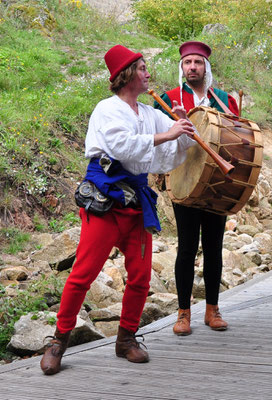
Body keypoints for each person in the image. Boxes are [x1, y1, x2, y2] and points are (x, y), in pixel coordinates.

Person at [40, 44, 196, 375]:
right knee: (83, 274)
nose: (148, 73)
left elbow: (169, 153)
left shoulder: (150, 113)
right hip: (105, 200)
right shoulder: (106, 110)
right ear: (126, 74)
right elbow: (122, 146)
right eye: (142, 68)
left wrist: (183, 130)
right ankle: (58, 341)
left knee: (140, 276)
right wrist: (167, 132)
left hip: (137, 202)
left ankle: (125, 339)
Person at [154, 41, 239, 336]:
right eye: (188, 62)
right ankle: (183, 313)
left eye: (198, 63)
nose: (193, 67)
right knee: (187, 247)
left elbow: (238, 140)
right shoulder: (167, 98)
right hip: (184, 180)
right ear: (182, 67)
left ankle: (213, 310)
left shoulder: (224, 100)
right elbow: (159, 138)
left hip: (217, 182)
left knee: (215, 246)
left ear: (206, 68)